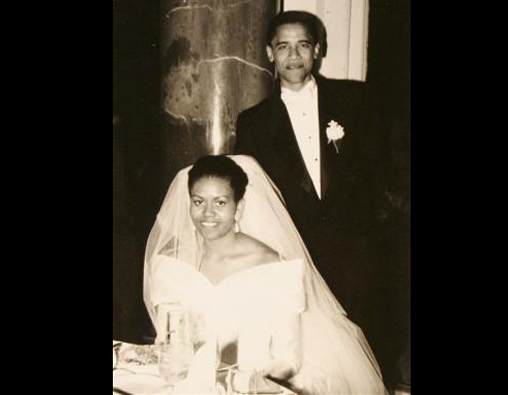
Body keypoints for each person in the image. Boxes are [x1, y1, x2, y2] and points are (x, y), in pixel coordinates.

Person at [144, 155, 388, 394]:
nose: (207, 213)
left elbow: (289, 360)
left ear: (238, 207)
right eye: (198, 202)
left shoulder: (273, 268)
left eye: (220, 202)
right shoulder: (172, 265)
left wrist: (237, 384)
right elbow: (167, 341)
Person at [235, 11, 388, 350]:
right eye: (283, 46)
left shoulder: (355, 100)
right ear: (269, 53)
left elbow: (381, 168)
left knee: (364, 347)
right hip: (294, 255)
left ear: (317, 50)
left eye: (302, 45)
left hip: (356, 251)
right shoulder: (253, 123)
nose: (293, 56)